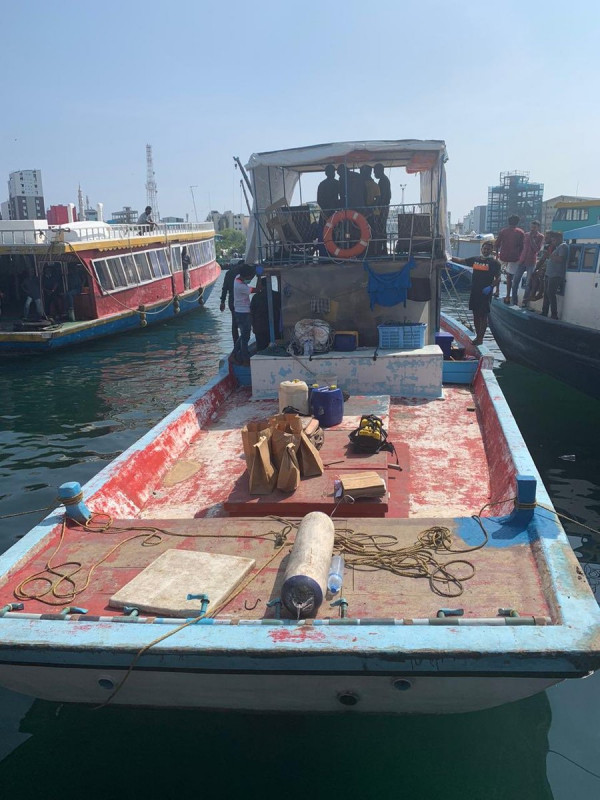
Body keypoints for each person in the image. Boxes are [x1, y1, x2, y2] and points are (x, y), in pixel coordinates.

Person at [453, 240, 501, 345]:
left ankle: (480, 338)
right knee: (475, 314)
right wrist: (448, 257)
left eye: (488, 249)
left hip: (485, 293)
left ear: (491, 250)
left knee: (483, 316)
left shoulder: (495, 263)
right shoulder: (475, 260)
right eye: (484, 248)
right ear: (481, 249)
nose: (486, 250)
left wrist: (491, 287)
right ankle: (477, 337)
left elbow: (498, 278)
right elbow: (461, 261)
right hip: (475, 291)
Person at [512, 220, 544, 307]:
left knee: (528, 283)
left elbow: (536, 249)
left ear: (538, 228)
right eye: (532, 227)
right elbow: (521, 247)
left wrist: (531, 239)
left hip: (531, 262)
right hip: (522, 261)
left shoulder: (540, 237)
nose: (533, 229)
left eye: (534, 227)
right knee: (515, 282)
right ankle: (514, 300)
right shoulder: (525, 235)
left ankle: (525, 302)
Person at [495, 215, 525, 305]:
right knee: (510, 277)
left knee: (497, 274)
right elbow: (522, 247)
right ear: (517, 222)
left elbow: (497, 244)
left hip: (503, 256)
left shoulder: (503, 231)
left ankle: (497, 290)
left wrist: (497, 255)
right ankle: (508, 296)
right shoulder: (521, 232)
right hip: (515, 257)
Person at [232, 264, 257, 365]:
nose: (251, 279)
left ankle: (233, 355)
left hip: (239, 311)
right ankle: (245, 359)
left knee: (243, 336)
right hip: (244, 313)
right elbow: (257, 289)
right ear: (245, 276)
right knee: (245, 338)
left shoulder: (237, 278)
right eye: (250, 277)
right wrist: (259, 277)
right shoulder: (240, 286)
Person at [541, 232, 568, 319]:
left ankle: (554, 314)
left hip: (556, 275)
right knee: (546, 293)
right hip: (549, 274)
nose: (553, 242)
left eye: (554, 240)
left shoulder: (563, 247)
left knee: (551, 293)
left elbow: (560, 259)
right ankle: (544, 312)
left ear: (559, 239)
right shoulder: (556, 248)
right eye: (552, 240)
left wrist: (549, 255)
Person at [251, 276, 281, 352]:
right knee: (276, 348)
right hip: (274, 326)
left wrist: (253, 326)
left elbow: (251, 313)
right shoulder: (277, 295)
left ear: (261, 286)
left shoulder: (256, 297)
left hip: (259, 327)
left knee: (261, 348)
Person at [220, 259, 243, 344]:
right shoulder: (242, 273)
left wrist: (222, 302)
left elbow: (224, 288)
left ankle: (236, 343)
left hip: (232, 301)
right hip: (240, 300)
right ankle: (242, 344)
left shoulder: (228, 273)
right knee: (242, 323)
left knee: (234, 323)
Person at [373, 163, 391, 255]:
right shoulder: (384, 180)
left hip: (382, 208)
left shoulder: (383, 181)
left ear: (380, 171)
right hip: (383, 207)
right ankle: (382, 249)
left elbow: (383, 197)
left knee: (381, 228)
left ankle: (382, 249)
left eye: (375, 172)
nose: (374, 174)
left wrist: (377, 206)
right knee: (381, 228)